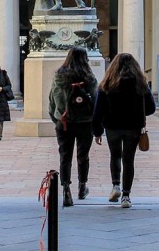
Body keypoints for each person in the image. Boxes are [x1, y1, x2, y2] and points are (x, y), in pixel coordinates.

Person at [92, 53, 156, 208]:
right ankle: (126, 196)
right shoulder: (140, 84)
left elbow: (98, 111)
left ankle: (115, 185)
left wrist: (97, 131)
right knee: (129, 160)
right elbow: (151, 108)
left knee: (115, 156)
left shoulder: (107, 84)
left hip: (112, 126)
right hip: (133, 126)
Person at [48, 46, 98, 207]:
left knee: (65, 156)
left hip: (64, 122)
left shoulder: (59, 77)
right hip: (85, 122)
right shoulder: (89, 78)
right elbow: (95, 101)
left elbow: (52, 100)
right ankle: (82, 187)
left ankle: (66, 190)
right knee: (83, 156)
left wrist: (56, 118)